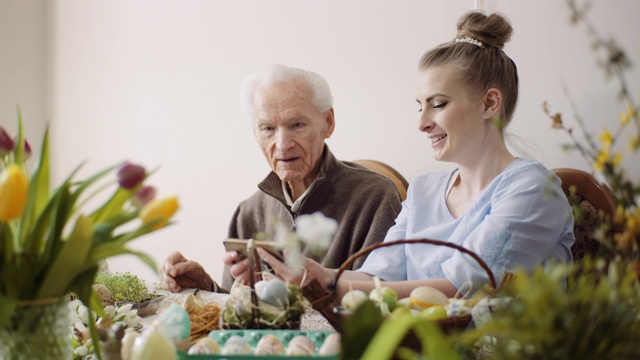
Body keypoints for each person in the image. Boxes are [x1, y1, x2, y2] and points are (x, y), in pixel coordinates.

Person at [256, 11, 575, 300]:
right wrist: (319, 274)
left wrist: (331, 283)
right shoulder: (425, 190)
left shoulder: (533, 189)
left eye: (438, 104)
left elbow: (465, 288)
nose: (422, 123)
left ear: (490, 103)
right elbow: (377, 276)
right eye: (419, 106)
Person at [161, 65, 403, 293]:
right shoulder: (249, 212)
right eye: (268, 128)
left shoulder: (375, 196)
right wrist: (208, 289)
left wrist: (312, 285)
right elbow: (237, 316)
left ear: (327, 122)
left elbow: (382, 303)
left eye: (297, 124)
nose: (283, 144)